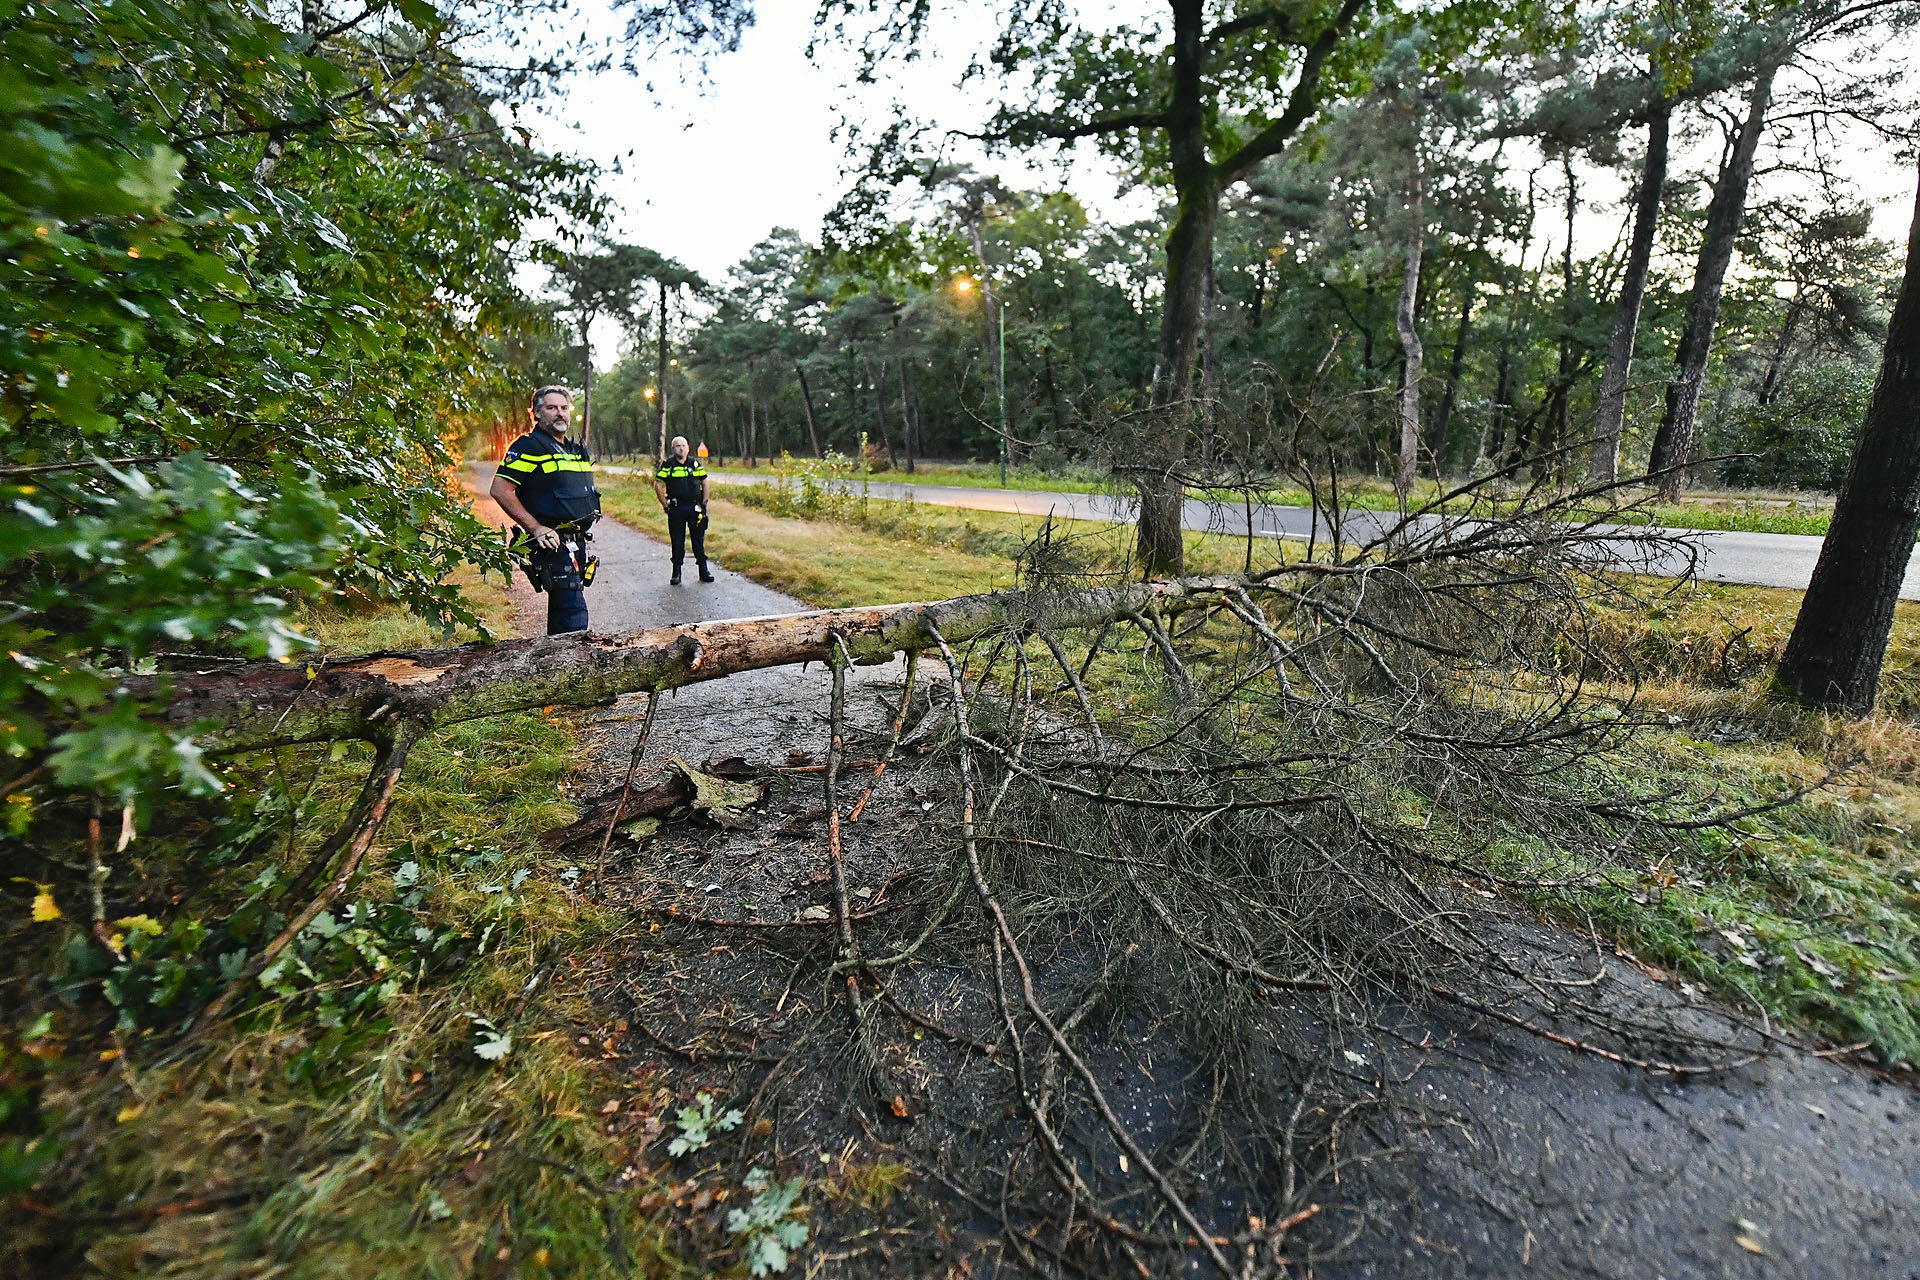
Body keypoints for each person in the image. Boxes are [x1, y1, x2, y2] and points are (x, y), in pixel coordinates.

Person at [490, 385, 601, 634]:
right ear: (537, 414)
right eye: (552, 408)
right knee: (573, 616)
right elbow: (500, 489)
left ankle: (555, 656)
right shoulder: (530, 446)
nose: (560, 413)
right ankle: (571, 658)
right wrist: (536, 528)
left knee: (565, 612)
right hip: (552, 544)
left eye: (564, 408)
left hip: (576, 544)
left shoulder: (573, 448)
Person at [652, 434, 714, 585]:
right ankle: (676, 572)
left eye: (683, 446)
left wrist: (705, 502)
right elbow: (658, 484)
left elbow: (705, 482)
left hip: (695, 507)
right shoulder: (668, 465)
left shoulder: (695, 464)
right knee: (677, 541)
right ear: (673, 449)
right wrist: (665, 504)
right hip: (676, 508)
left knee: (698, 540)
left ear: (688, 448)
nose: (681, 448)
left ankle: (703, 570)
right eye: (678, 446)